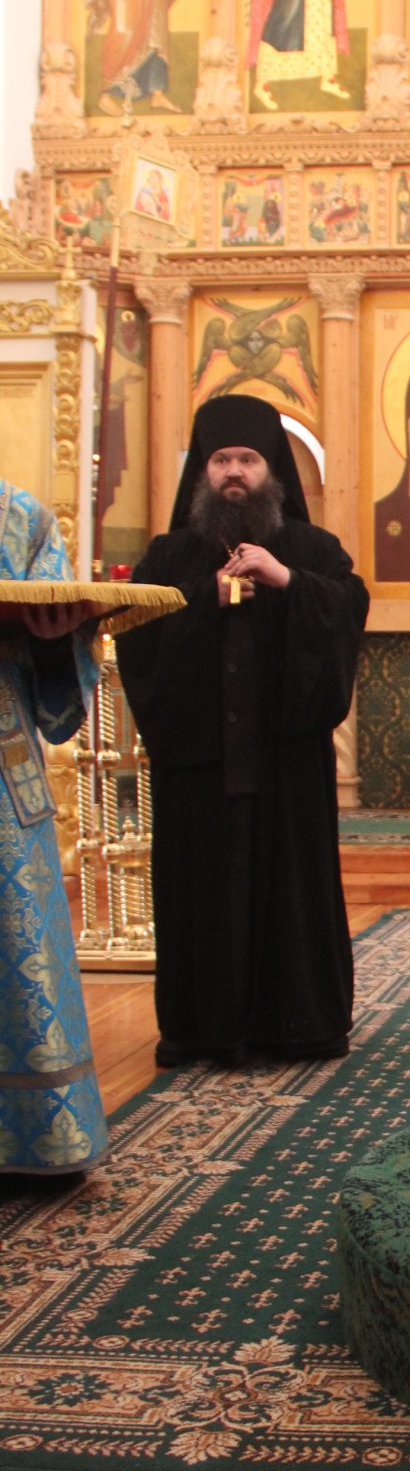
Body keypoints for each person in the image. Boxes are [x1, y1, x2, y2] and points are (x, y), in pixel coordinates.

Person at [116, 395, 369, 1067]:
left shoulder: (312, 550)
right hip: (198, 767)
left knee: (290, 891)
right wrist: (209, 597)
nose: (235, 472)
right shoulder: (168, 558)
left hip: (285, 764)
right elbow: (138, 640)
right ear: (201, 471)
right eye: (221, 460)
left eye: (248, 460)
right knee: (202, 893)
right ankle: (202, 1030)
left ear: (271, 470)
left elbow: (347, 609)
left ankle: (299, 1026)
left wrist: (287, 581)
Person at [0, 482, 109, 1175]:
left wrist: (51, 643)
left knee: (15, 942)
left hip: (1, 773)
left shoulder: (23, 520)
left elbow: (61, 671)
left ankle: (31, 1134)